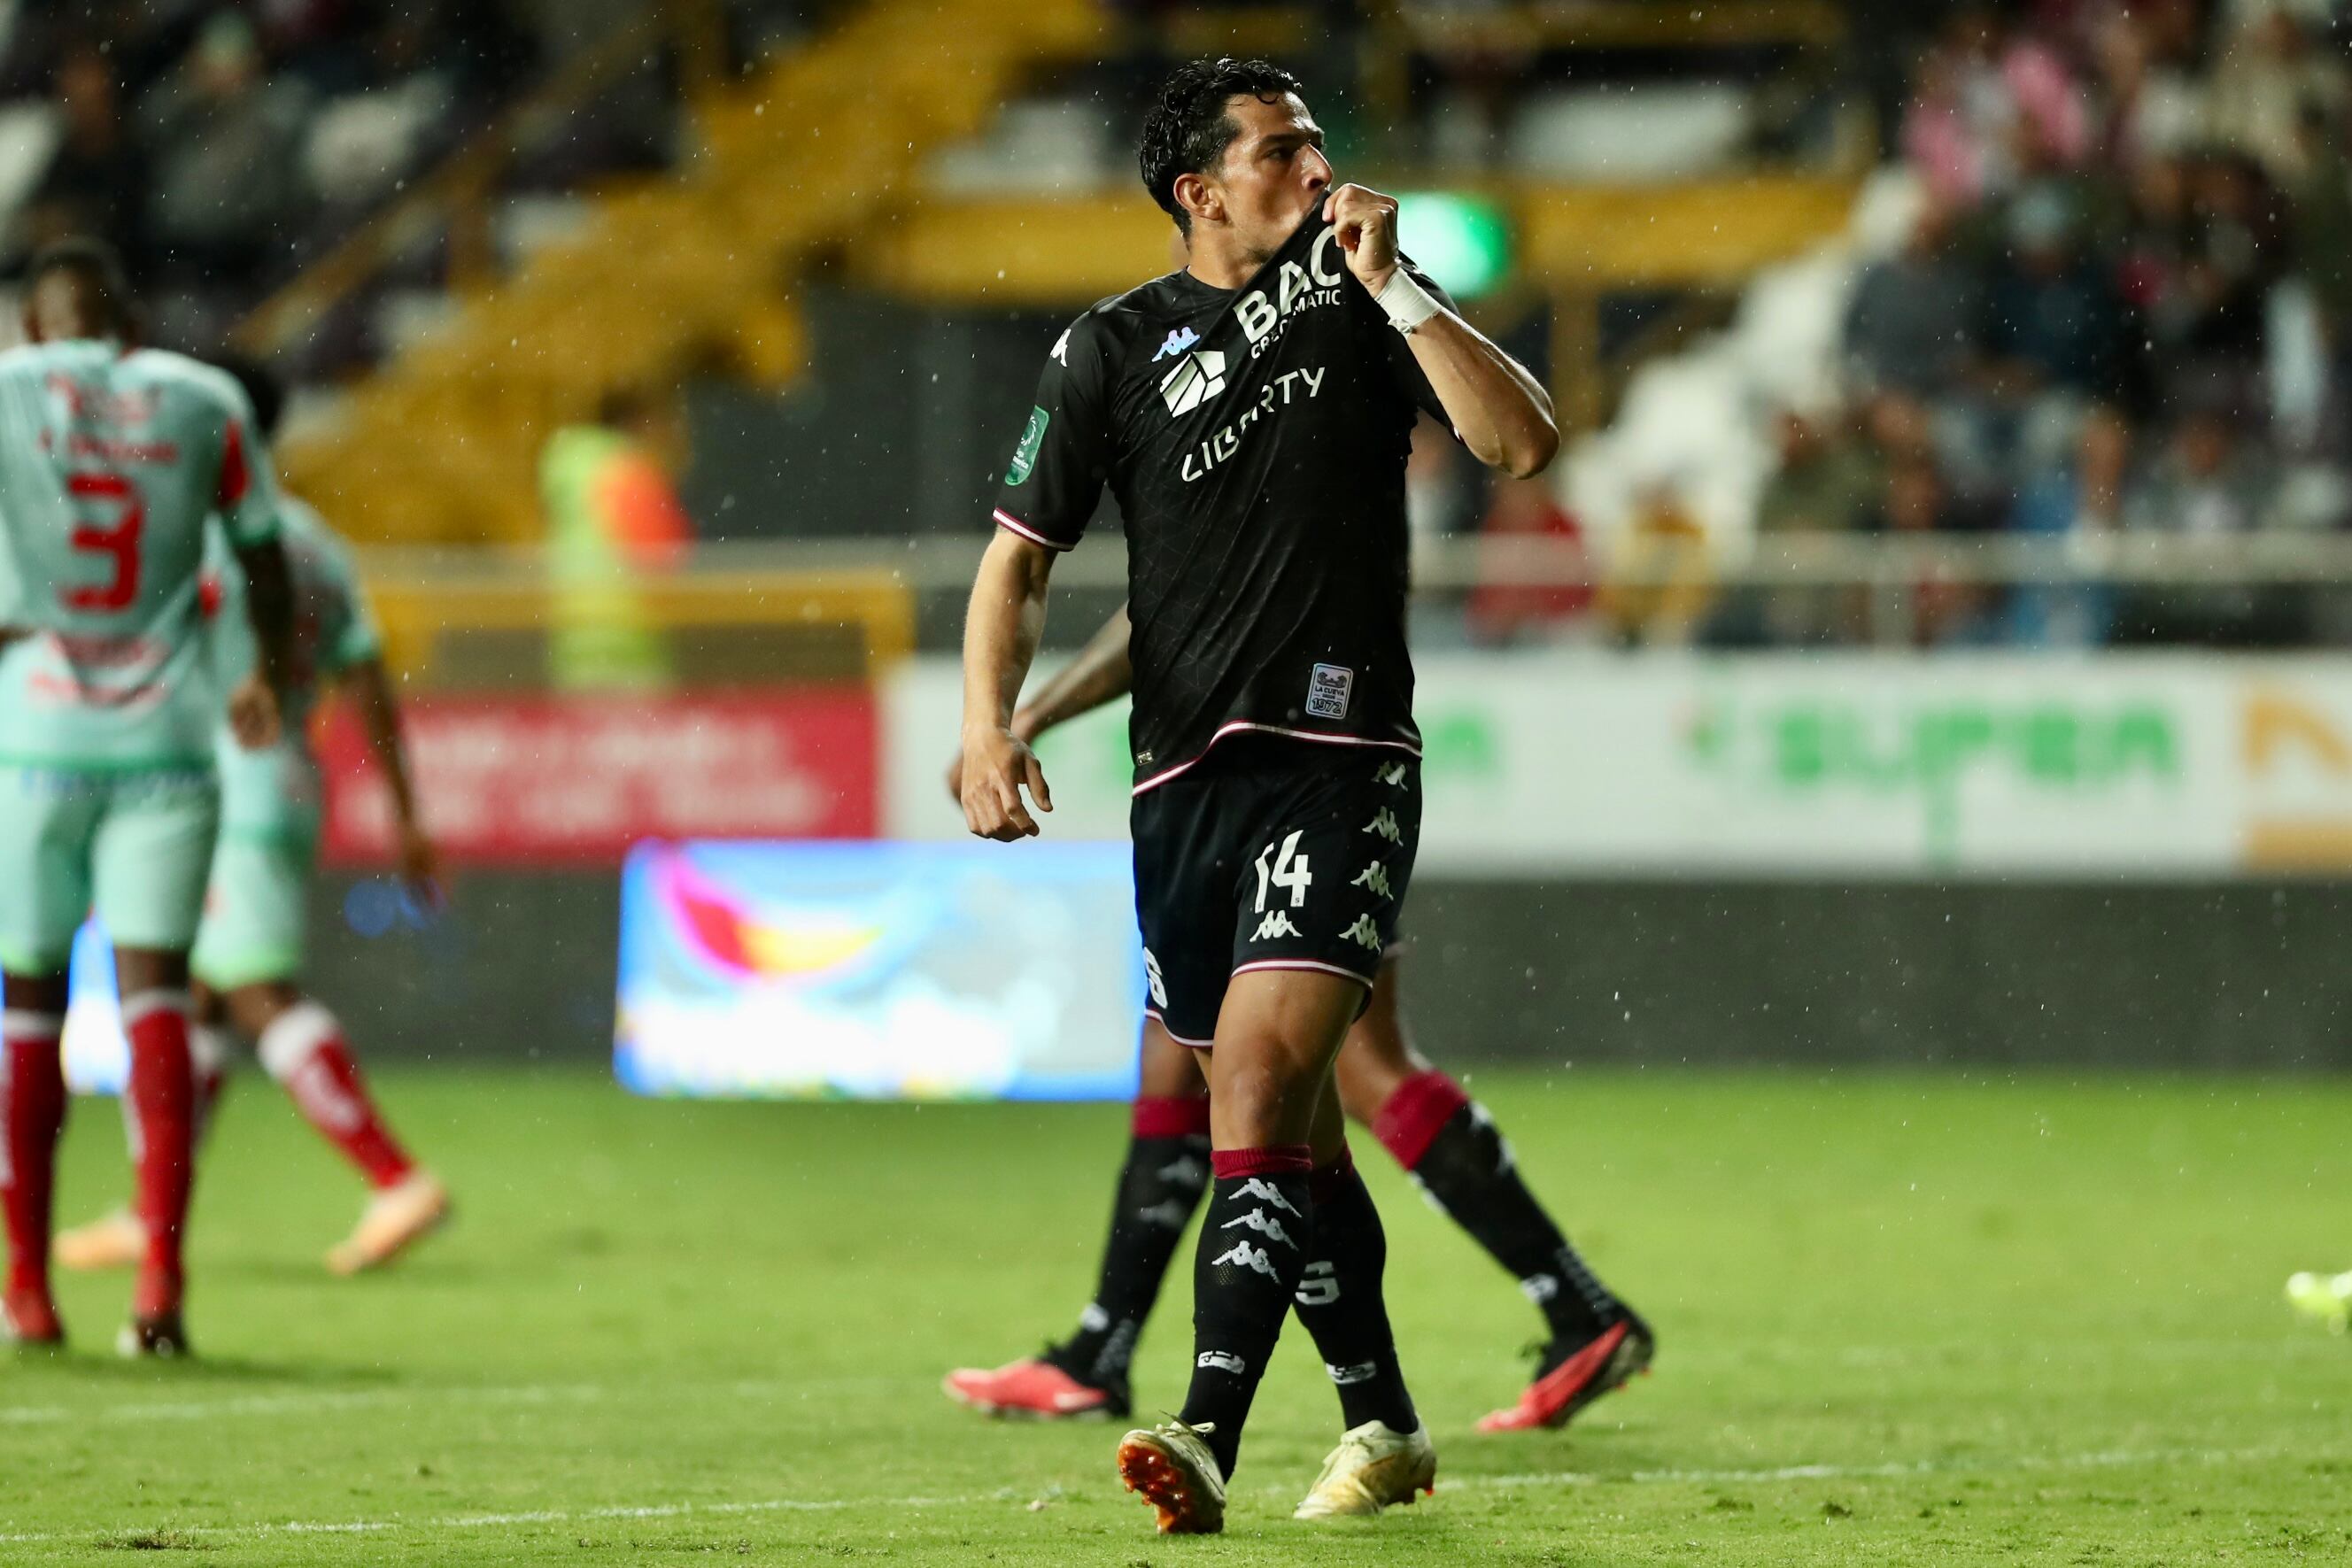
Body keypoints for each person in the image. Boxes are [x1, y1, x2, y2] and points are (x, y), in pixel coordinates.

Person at [956, 58, 1560, 1533]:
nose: (1312, 166)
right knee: (1292, 1127)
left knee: (1253, 1080)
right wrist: (992, 722)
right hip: (1179, 793)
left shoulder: (1357, 299)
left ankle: (1204, 1432)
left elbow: (1521, 440)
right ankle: (1388, 1426)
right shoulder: (1107, 349)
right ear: (1198, 188)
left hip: (1339, 758)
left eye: (1313, 143)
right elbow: (1020, 561)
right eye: (1280, 149)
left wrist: (1404, 288)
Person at [943, 606, 1652, 1433]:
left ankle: (1553, 1317)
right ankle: (1108, 1343)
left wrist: (1028, 713)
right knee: (1214, 1053)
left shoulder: (1247, 497)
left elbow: (1162, 613)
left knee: (1337, 1067)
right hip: (1307, 768)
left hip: (1289, 787)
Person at [53, 363, 452, 1280]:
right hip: (284, 781)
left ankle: (395, 1177)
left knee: (253, 986)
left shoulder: (205, 535)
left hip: (219, 786)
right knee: (192, 999)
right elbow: (368, 680)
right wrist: (407, 814)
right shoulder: (313, 541)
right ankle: (151, 1209)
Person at [0, 238, 294, 1356]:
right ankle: (160, 1288)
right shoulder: (202, 398)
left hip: (35, 738)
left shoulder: (11, 392)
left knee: (27, 1008)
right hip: (169, 744)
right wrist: (261, 662)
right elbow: (259, 552)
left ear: (35, 327)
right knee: (157, 1002)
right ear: (127, 324)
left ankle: (26, 1290)